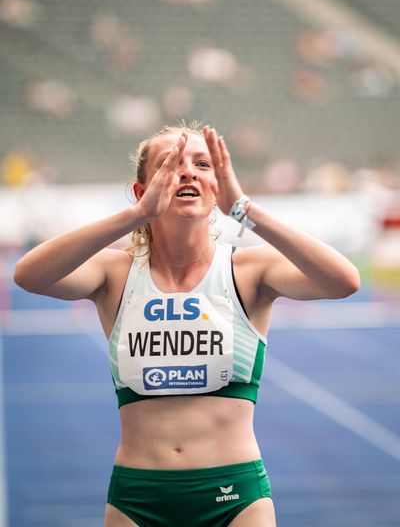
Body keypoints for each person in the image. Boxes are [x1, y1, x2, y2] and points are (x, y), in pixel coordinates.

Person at [14, 123, 360, 527]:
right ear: (143, 190)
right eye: (171, 164)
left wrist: (245, 210)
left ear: (217, 187)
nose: (188, 172)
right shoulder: (115, 273)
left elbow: (344, 282)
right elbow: (29, 275)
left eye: (202, 164)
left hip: (236, 498)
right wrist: (135, 217)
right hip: (137, 498)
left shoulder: (249, 270)